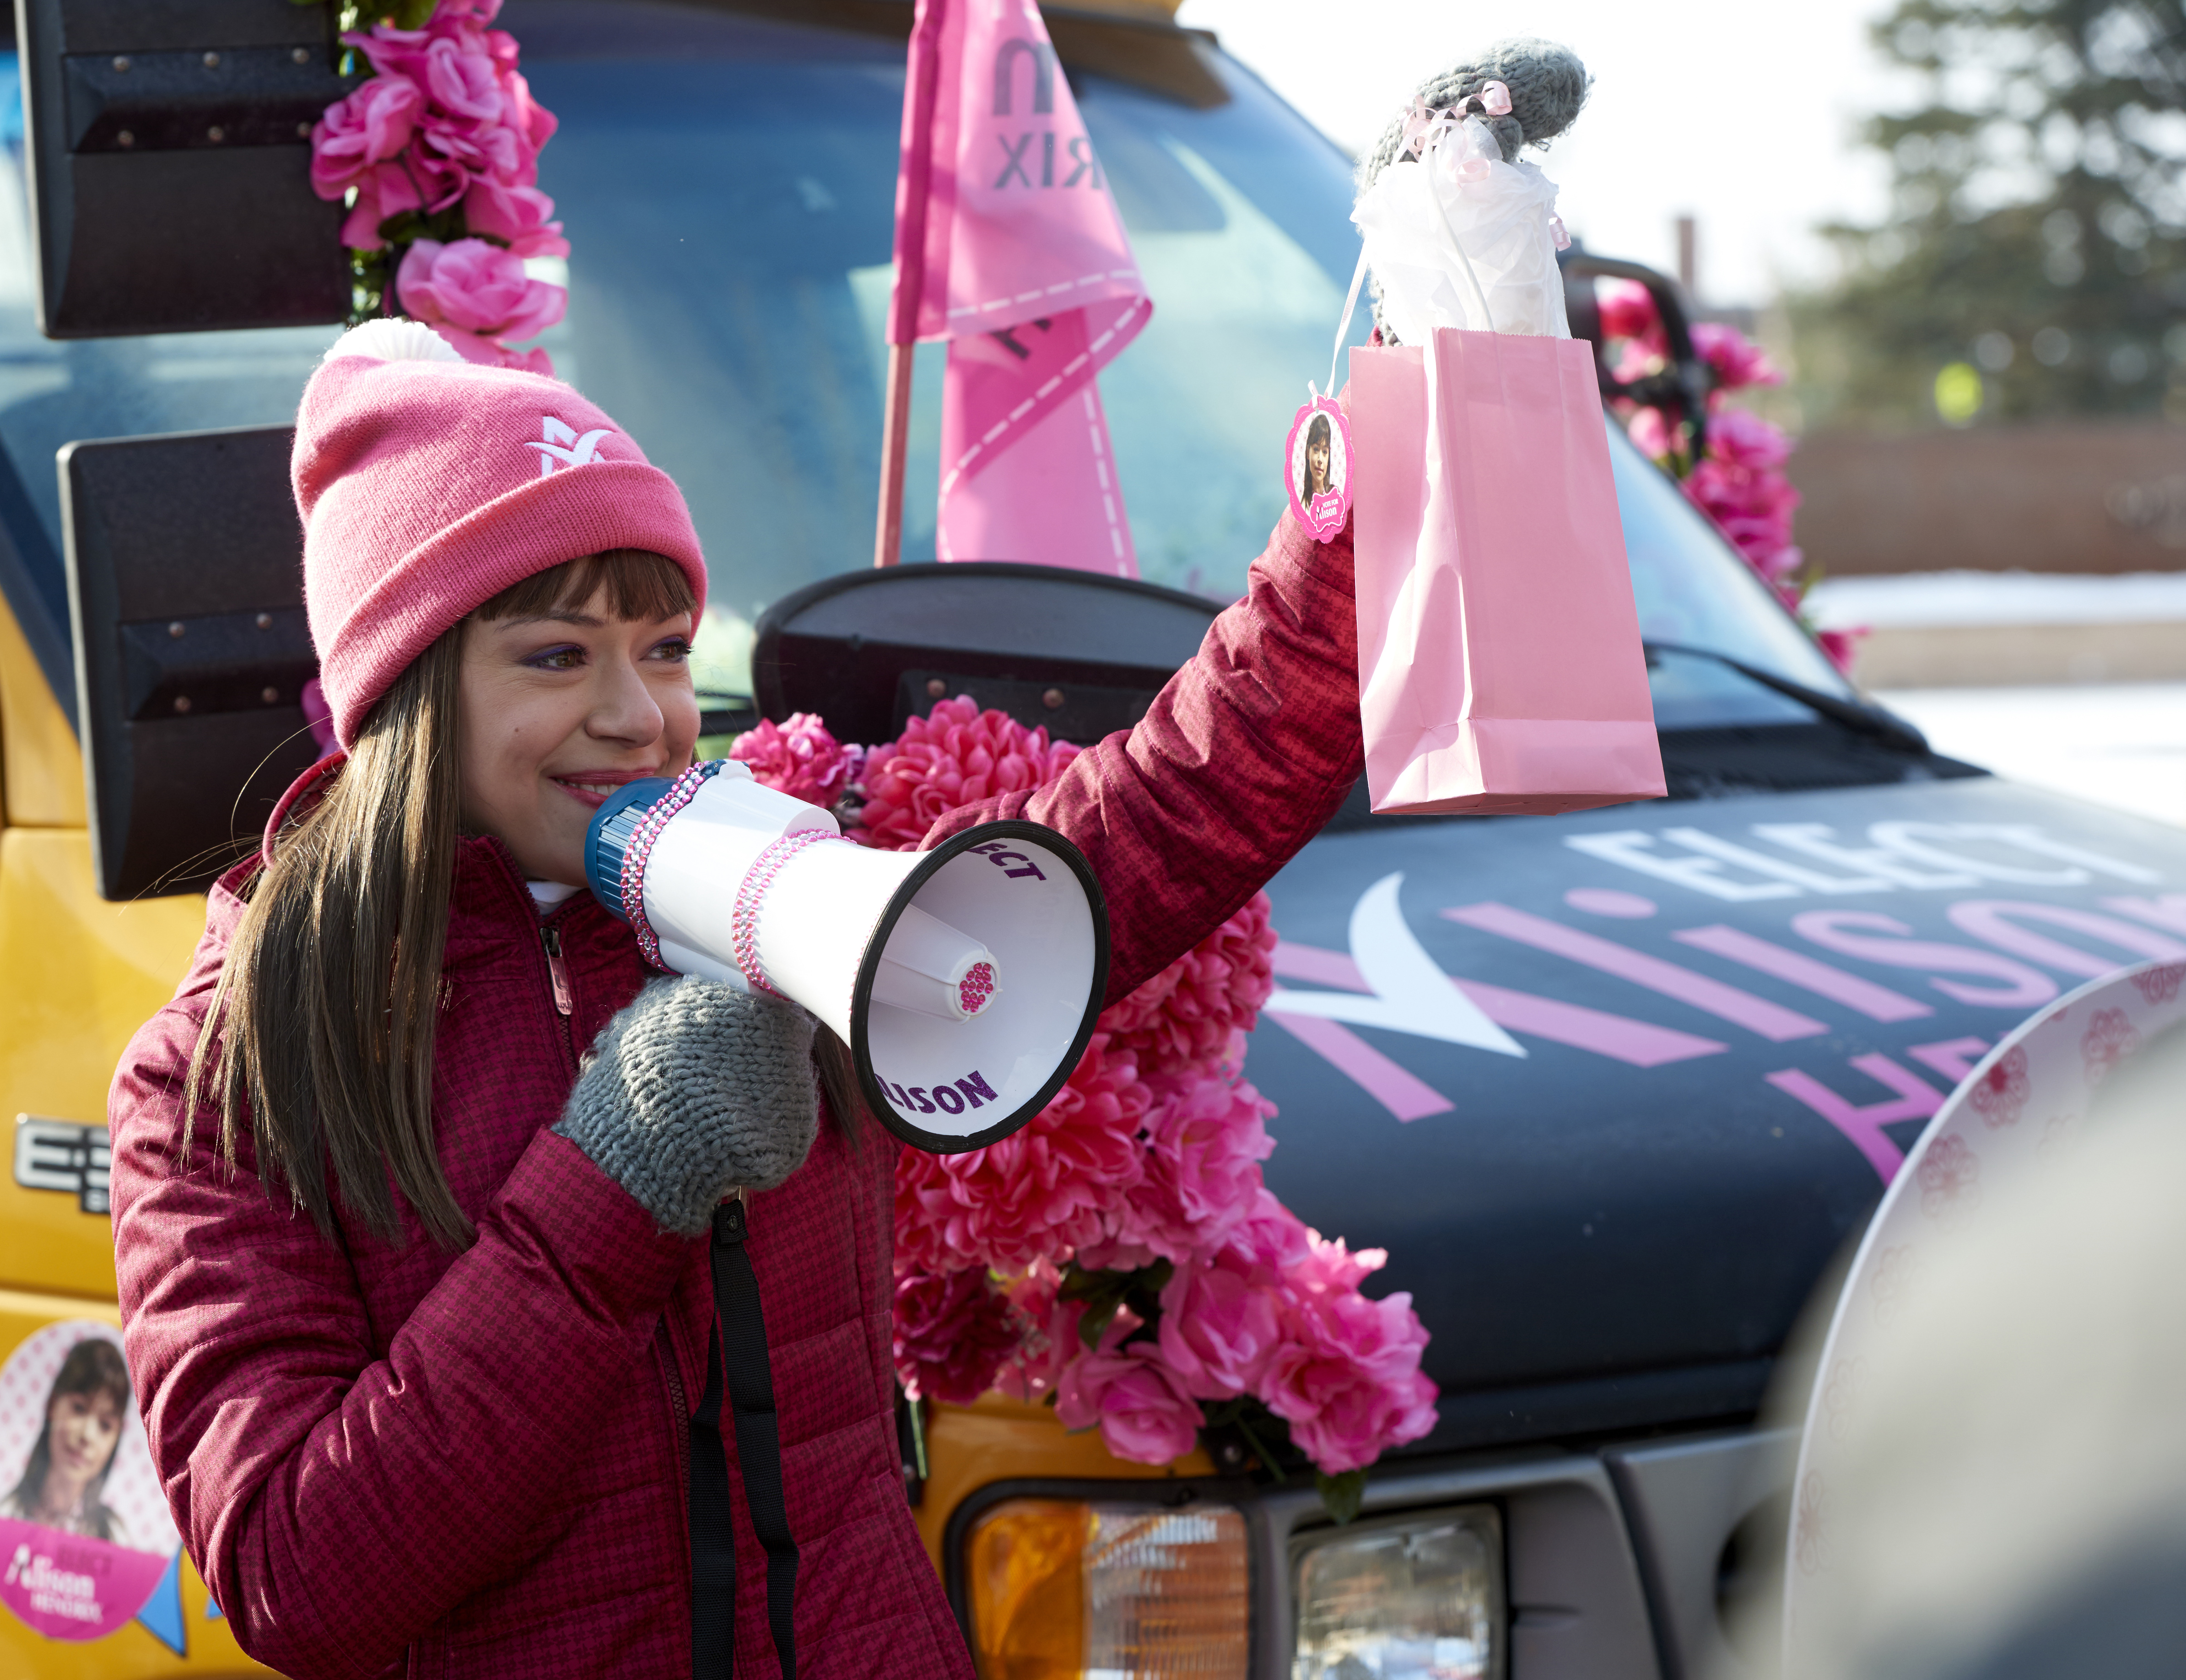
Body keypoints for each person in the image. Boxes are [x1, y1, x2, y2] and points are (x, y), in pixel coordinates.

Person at [107, 317, 1367, 1679]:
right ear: (403, 685)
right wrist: (617, 1177)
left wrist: (1357, 519)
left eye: (660, 648)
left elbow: (1166, 807)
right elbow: (301, 1576)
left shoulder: (763, 872)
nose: (638, 715)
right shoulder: (225, 1067)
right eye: (555, 655)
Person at [0, 1338, 135, 1548]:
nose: (87, 1436)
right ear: (52, 1404)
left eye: (105, 1425)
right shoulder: (3, 1515)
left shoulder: (116, 1536)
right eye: (79, 1409)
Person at [1301, 411, 1335, 503]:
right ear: (1308, 453)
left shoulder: (1335, 496)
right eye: (1316, 449)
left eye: (1325, 452)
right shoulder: (1303, 503)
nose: (1320, 459)